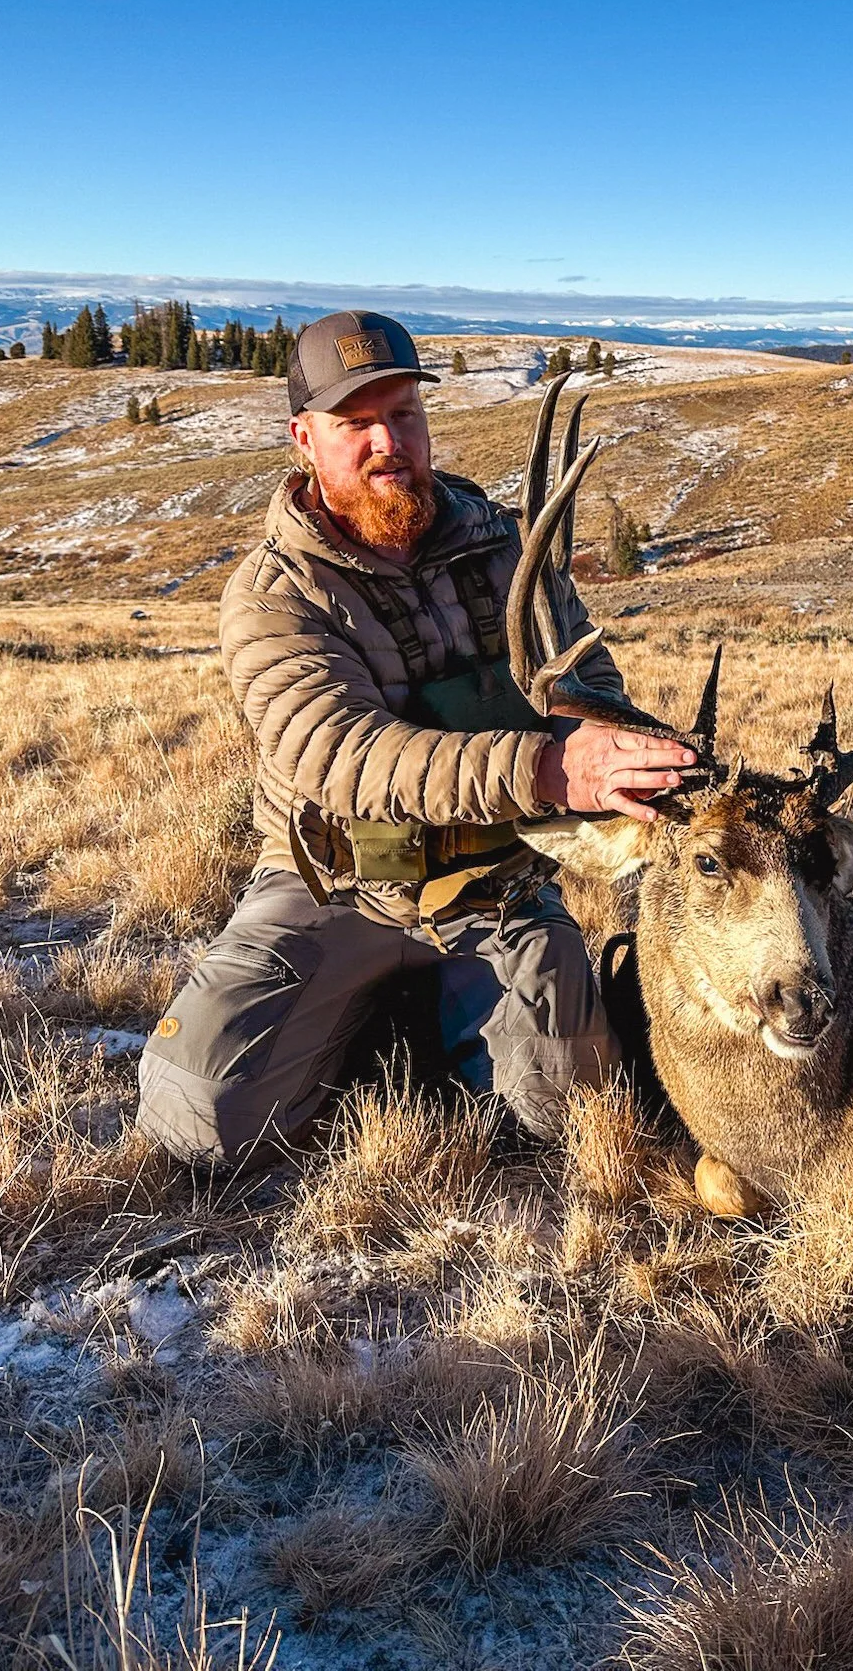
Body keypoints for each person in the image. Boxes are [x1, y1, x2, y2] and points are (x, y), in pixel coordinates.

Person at [136, 310, 693, 1165]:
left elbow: (591, 687)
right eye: (355, 423)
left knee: (570, 1120)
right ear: (303, 438)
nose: (386, 442)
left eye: (403, 415)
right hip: (337, 883)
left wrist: (617, 755)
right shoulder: (272, 592)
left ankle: (431, 1023)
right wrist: (551, 767)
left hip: (494, 881)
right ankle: (392, 1018)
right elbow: (344, 754)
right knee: (196, 1119)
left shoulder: (510, 548)